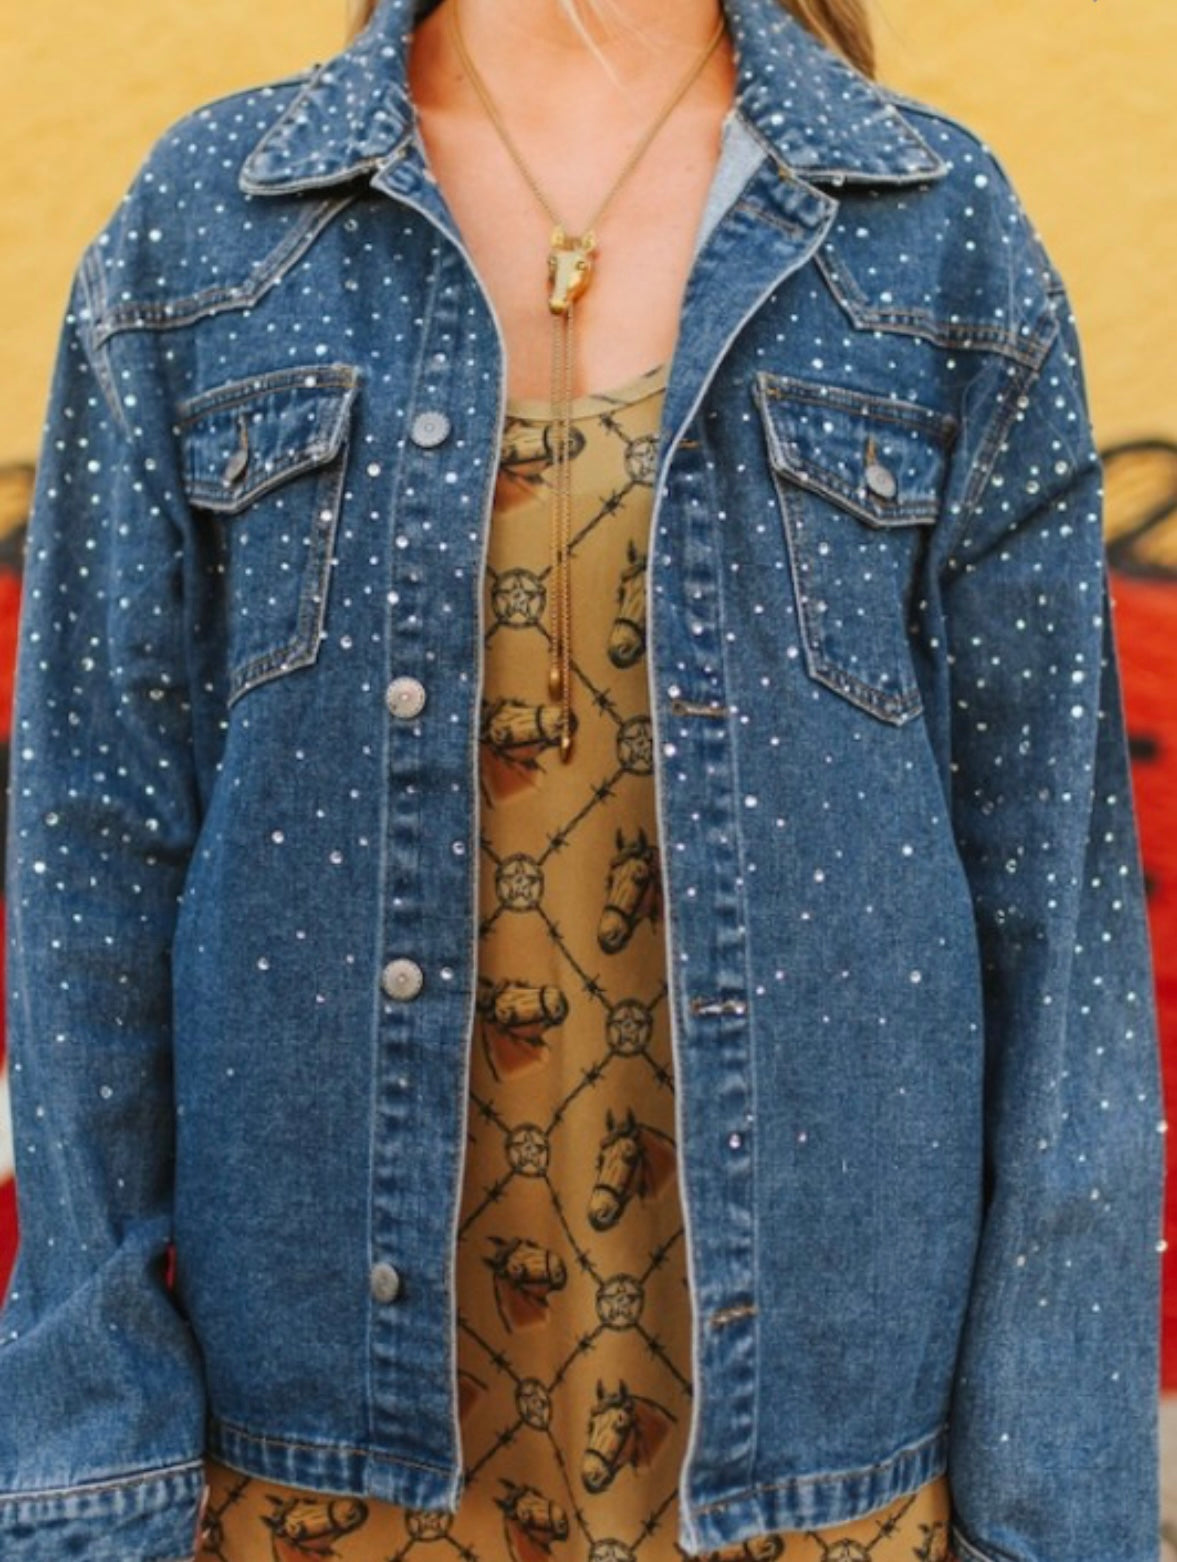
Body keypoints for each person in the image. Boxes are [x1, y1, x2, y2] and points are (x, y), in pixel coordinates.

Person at [0, 0, 1164, 1558]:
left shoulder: (935, 239)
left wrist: (1053, 1518)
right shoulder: (210, 228)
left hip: (825, 1498)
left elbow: (1057, 945)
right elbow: (90, 879)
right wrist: (92, 1481)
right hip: (304, 1491)